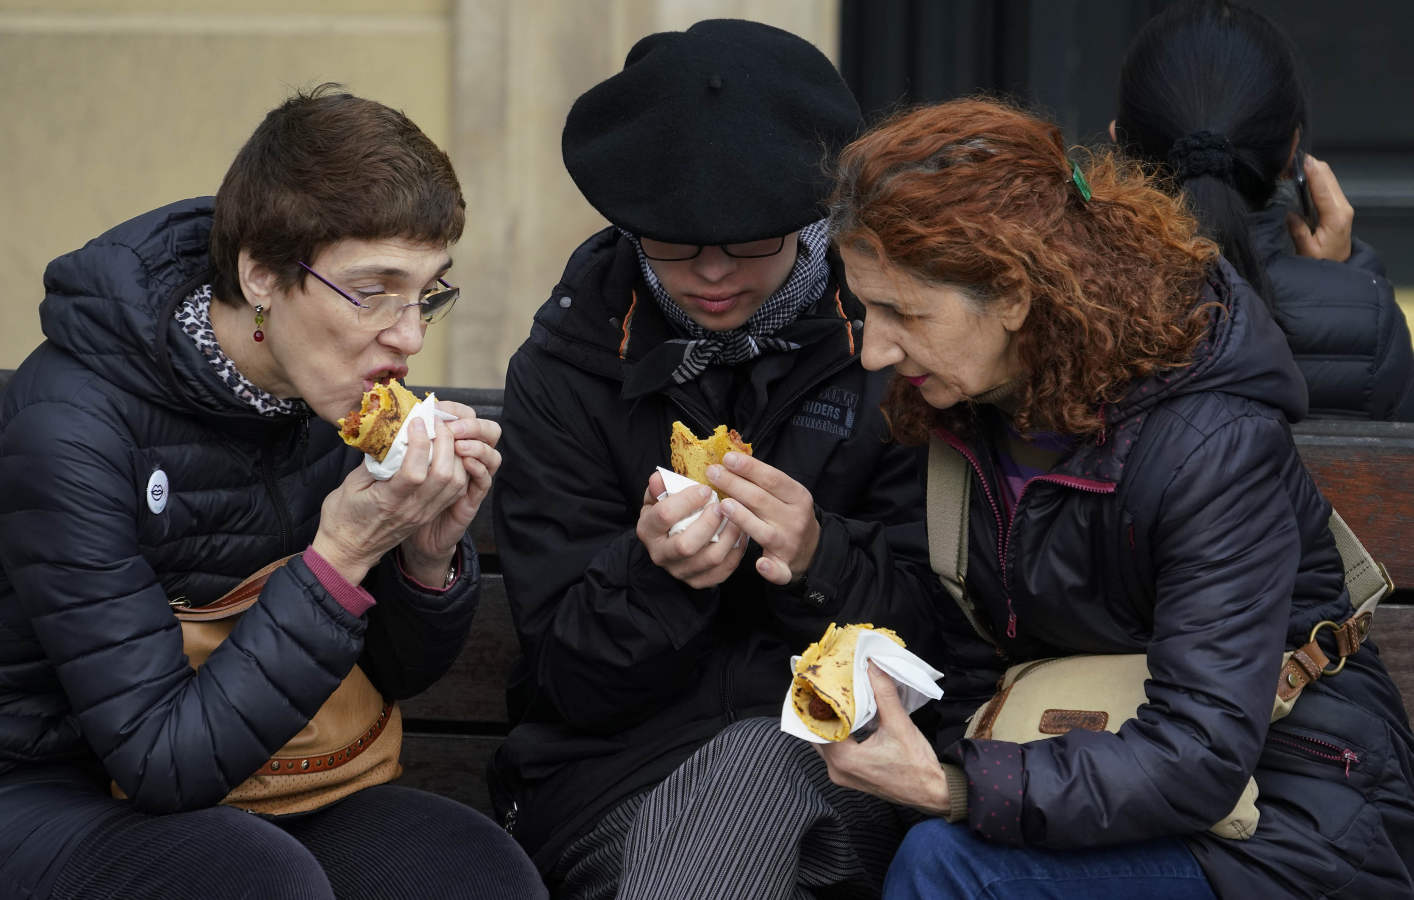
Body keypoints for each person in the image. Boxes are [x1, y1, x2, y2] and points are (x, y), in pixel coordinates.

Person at [817, 98, 1414, 898]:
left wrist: (953, 789)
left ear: (1014, 295)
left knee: (947, 868)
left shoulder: (1211, 442)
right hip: (1088, 774)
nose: (876, 350)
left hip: (1288, 820)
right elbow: (979, 665)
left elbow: (1200, 756)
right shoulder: (968, 411)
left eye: (901, 311)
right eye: (865, 308)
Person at [0, 86, 545, 899]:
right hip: (48, 787)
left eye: (427, 291)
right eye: (374, 289)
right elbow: (159, 763)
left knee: (473, 872)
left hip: (257, 776)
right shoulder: (71, 428)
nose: (409, 334)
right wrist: (342, 554)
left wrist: (425, 560)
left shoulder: (332, 393)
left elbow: (393, 673)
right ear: (260, 273)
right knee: (254, 880)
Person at [489, 19, 945, 900]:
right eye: (672, 245)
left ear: (808, 222)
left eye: (748, 244)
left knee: (751, 769)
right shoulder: (568, 366)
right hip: (612, 787)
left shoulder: (892, 356)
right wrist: (656, 575)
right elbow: (560, 685)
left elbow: (937, 640)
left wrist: (818, 558)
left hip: (845, 771)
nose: (710, 277)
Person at [1113, 0, 1414, 420]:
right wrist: (1349, 279)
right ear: (1294, 151)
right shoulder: (1371, 324)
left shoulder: (1068, 305)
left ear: (1121, 145)